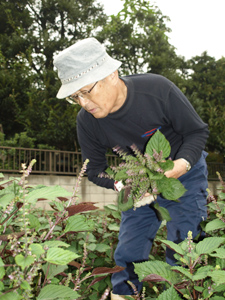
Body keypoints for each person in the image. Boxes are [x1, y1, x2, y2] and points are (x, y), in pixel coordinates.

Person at [54, 37, 209, 299]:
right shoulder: (88, 122)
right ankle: (123, 295)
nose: (83, 103)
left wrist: (180, 165)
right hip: (139, 182)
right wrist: (122, 185)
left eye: (86, 91)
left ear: (111, 75)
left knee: (186, 244)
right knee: (128, 250)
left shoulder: (157, 90)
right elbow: (94, 169)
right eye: (75, 96)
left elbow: (196, 132)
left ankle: (184, 293)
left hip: (184, 173)